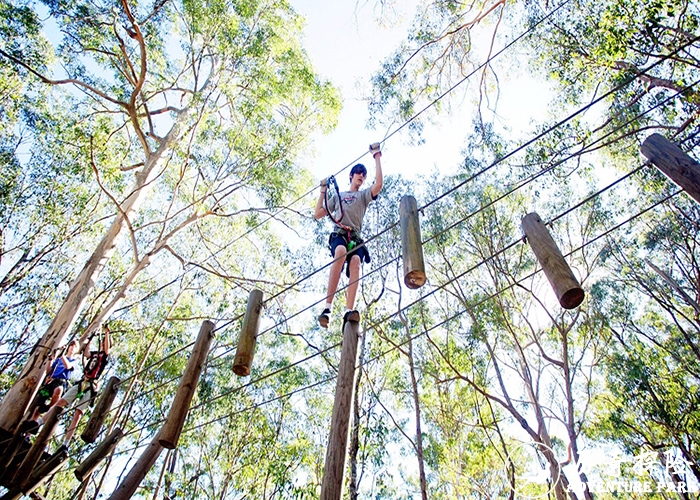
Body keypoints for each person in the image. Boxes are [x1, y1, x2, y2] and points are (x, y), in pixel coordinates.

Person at [314, 143, 383, 328]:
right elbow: (318, 213)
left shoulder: (363, 196)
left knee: (355, 263)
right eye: (358, 173)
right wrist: (323, 190)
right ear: (351, 176)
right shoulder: (339, 196)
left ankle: (348, 310)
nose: (361, 176)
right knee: (340, 252)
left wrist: (377, 156)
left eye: (364, 174)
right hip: (340, 233)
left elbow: (378, 185)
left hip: (356, 237)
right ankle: (327, 308)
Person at [53, 324, 111, 449]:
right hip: (82, 381)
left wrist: (106, 333)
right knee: (61, 402)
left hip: (90, 385)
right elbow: (86, 353)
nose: (102, 345)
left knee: (77, 414)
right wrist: (90, 339)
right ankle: (40, 422)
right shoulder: (95, 354)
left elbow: (107, 349)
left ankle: (65, 444)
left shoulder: (104, 357)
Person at [21, 340, 78, 434]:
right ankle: (29, 431)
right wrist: (50, 360)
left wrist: (62, 356)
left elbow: (68, 367)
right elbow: (49, 371)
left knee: (58, 391)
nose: (72, 348)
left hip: (60, 381)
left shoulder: (74, 361)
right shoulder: (58, 360)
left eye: (75, 346)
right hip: (51, 381)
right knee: (37, 408)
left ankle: (50, 408)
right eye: (71, 345)